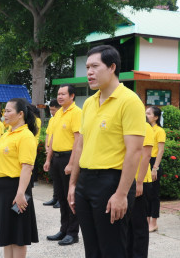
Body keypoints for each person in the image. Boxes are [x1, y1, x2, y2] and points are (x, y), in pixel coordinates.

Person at [68, 45, 145, 258]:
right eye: (87, 67)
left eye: (95, 66)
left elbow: (135, 151)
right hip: (86, 182)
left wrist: (121, 194)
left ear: (112, 67)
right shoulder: (90, 103)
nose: (89, 72)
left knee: (112, 249)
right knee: (91, 250)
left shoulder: (129, 101)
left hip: (112, 183)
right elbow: (81, 145)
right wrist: (73, 184)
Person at [0, 98, 39, 258]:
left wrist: (21, 193)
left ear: (20, 114)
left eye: (9, 111)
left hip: (17, 189)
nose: (5, 114)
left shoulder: (26, 136)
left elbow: (27, 167)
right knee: (6, 234)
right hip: (2, 189)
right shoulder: (7, 133)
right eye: (5, 111)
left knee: (18, 236)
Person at [43, 85, 81, 246]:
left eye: (63, 94)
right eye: (58, 94)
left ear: (72, 96)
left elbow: (78, 140)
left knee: (70, 197)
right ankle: (64, 229)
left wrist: (72, 163)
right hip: (56, 159)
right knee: (60, 196)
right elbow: (52, 139)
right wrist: (48, 159)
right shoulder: (58, 113)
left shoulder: (77, 113)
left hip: (68, 159)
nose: (60, 96)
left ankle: (73, 233)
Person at [128, 119, 154, 258]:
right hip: (125, 181)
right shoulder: (126, 127)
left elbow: (146, 155)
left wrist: (139, 182)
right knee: (126, 226)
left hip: (140, 181)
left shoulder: (145, 127)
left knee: (138, 226)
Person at [146, 106, 166, 232]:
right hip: (145, 161)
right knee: (146, 194)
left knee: (154, 194)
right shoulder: (146, 129)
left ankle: (154, 222)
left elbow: (160, 151)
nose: (146, 115)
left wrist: (155, 168)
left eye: (149, 113)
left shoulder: (159, 131)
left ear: (156, 117)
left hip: (154, 163)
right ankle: (146, 221)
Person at [43, 99, 61, 208]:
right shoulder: (52, 120)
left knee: (61, 178)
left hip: (59, 151)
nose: (52, 112)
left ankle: (61, 199)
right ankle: (55, 197)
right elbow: (48, 135)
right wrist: (46, 147)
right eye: (51, 110)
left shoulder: (60, 119)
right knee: (54, 177)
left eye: (53, 110)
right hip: (51, 151)